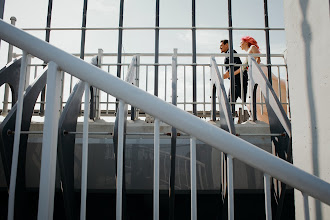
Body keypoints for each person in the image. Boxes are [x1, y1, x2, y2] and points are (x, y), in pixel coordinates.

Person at [220, 39, 248, 104]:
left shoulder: (230, 52)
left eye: (221, 45)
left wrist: (224, 75)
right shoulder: (229, 52)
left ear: (226, 45)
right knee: (232, 101)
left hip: (238, 81)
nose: (220, 47)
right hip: (236, 80)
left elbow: (234, 65)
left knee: (231, 101)